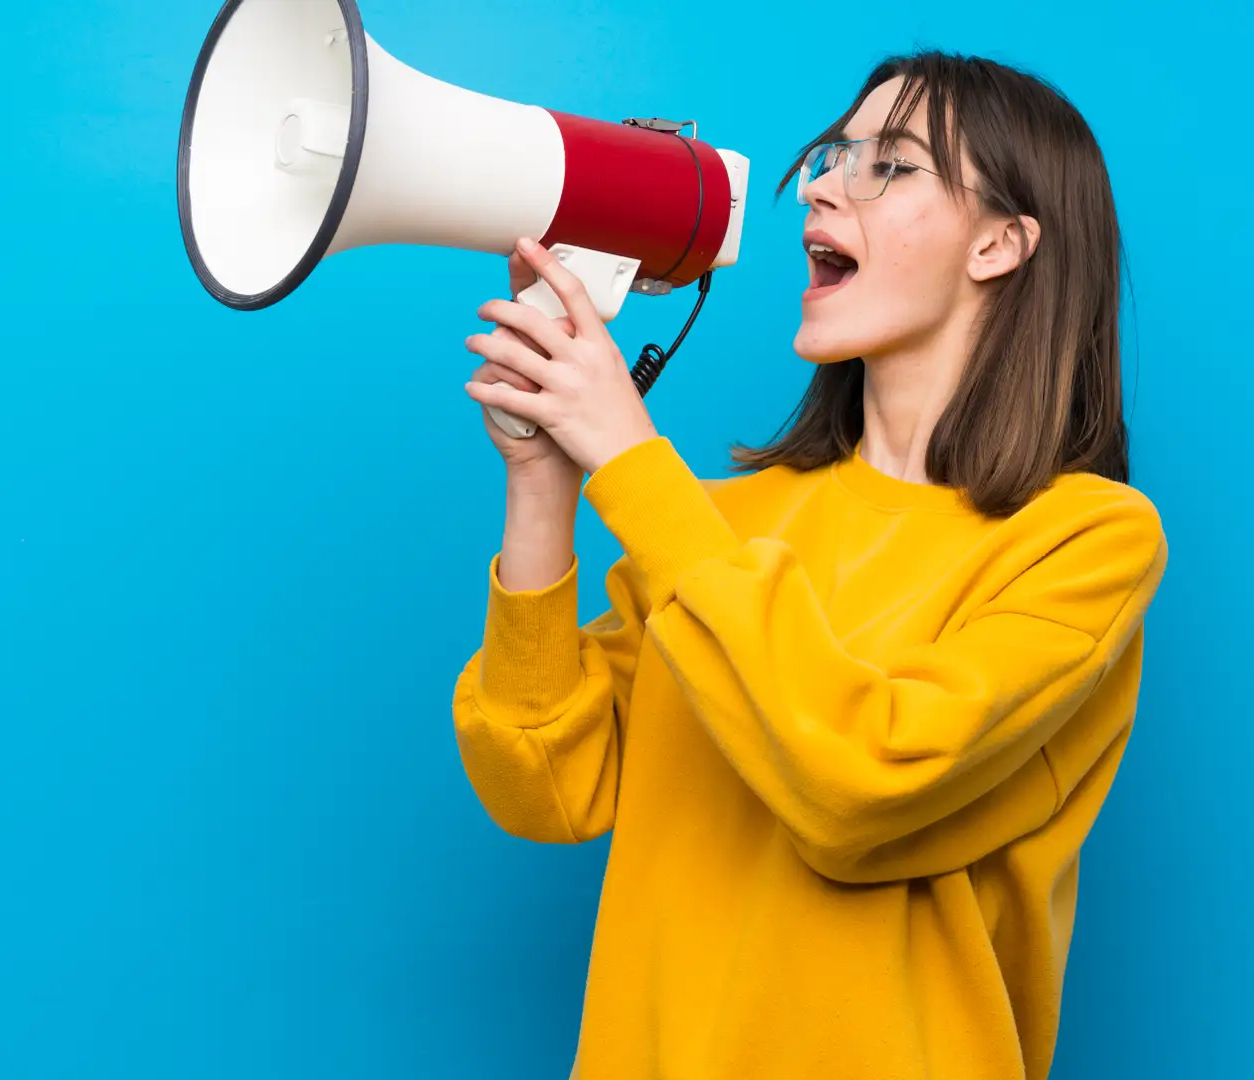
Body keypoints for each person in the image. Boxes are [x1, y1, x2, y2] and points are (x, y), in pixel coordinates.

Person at [452, 50, 1167, 1080]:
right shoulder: (713, 525)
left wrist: (631, 461)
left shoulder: (1086, 541)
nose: (823, 188)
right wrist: (544, 483)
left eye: (892, 164)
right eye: (834, 155)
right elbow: (545, 785)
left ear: (1000, 244)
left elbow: (857, 786)